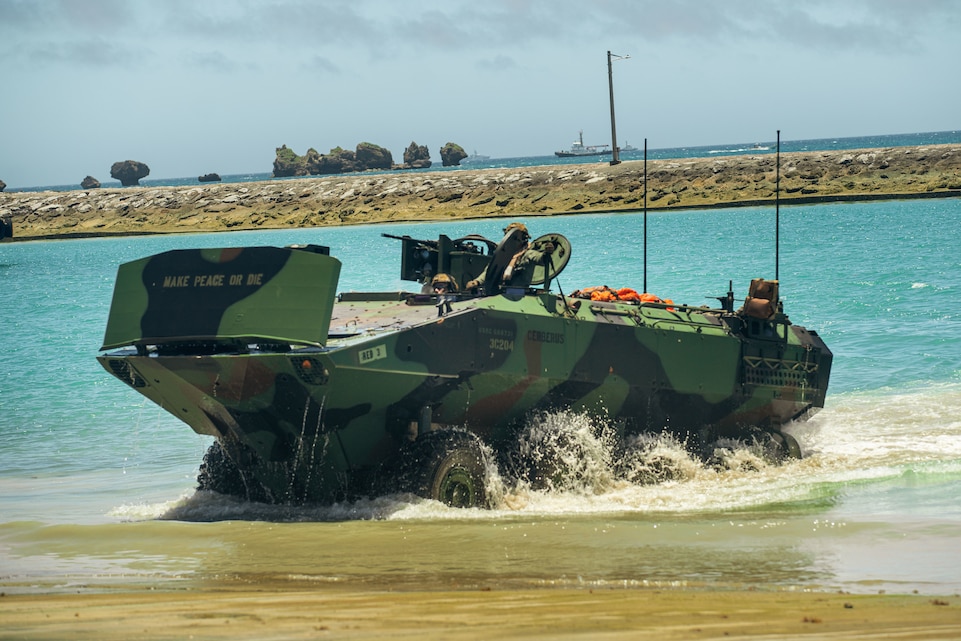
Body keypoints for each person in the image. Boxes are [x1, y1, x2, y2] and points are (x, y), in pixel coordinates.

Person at [465, 222, 554, 294]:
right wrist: (476, 282)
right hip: (499, 292)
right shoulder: (503, 254)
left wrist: (546, 253)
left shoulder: (527, 254)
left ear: (522, 238)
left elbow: (540, 259)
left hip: (519, 293)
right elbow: (490, 271)